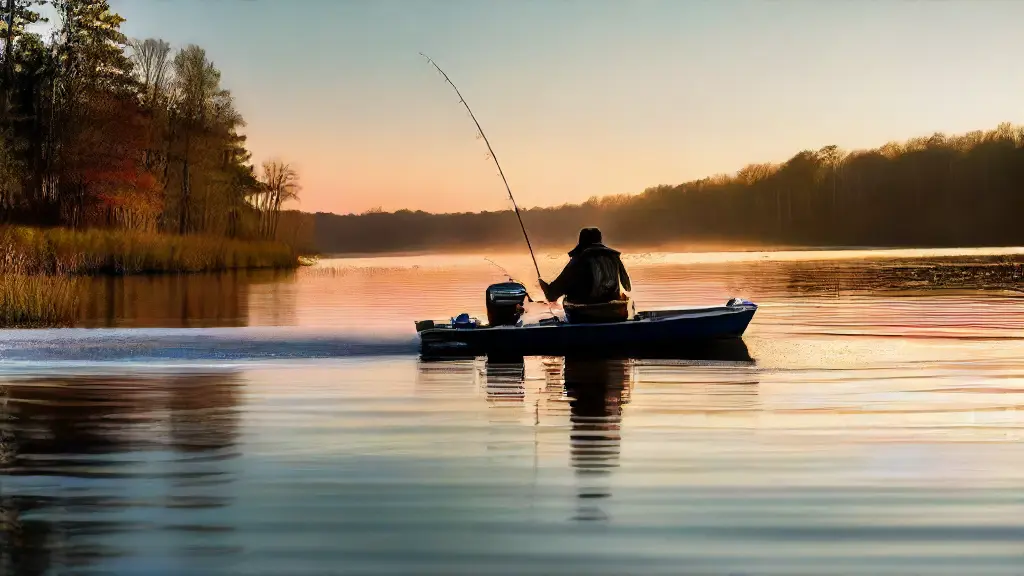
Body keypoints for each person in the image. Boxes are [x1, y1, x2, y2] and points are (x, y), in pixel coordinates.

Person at [539, 227, 631, 306]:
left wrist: (544, 285)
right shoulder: (614, 258)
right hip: (612, 309)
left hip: (585, 309)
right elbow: (627, 287)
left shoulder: (579, 260)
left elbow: (552, 296)